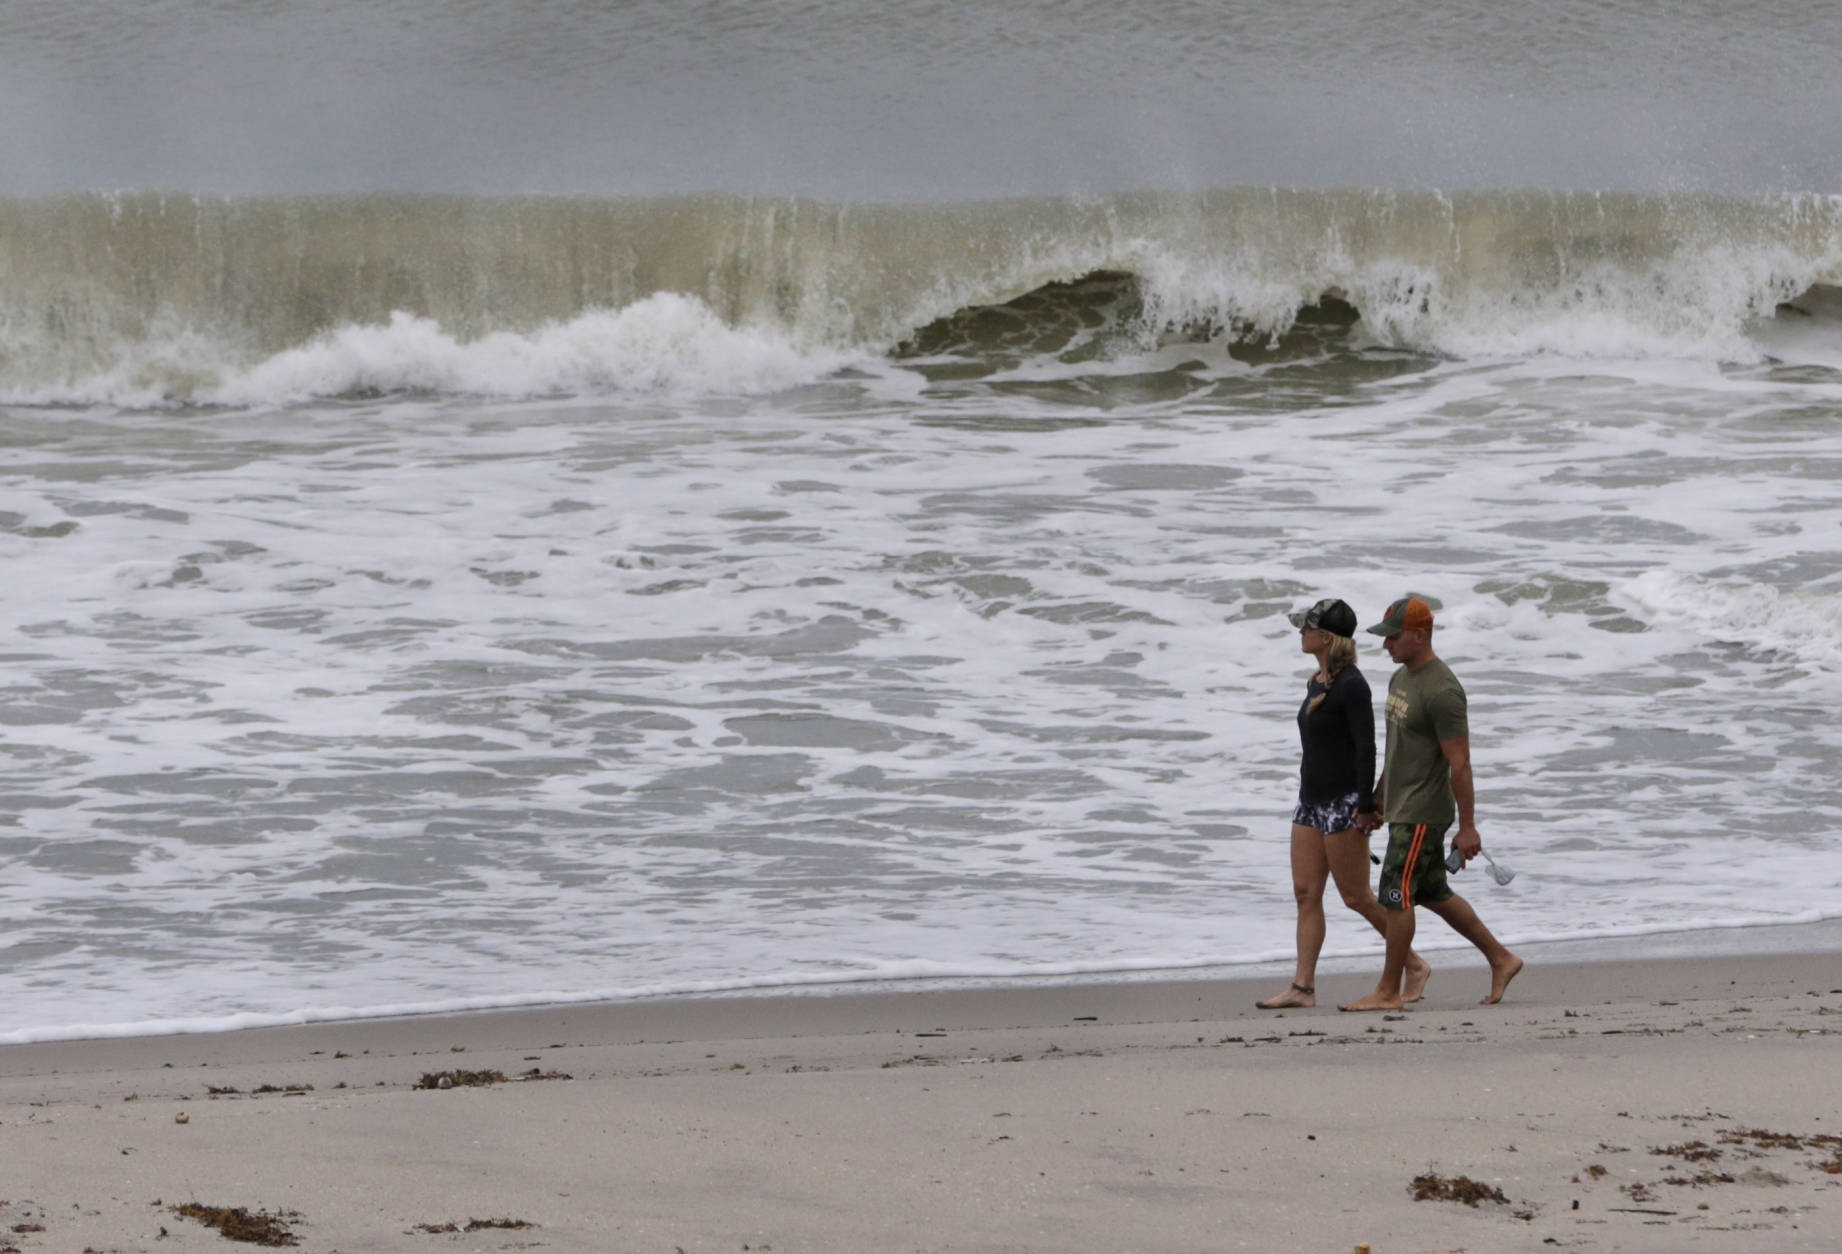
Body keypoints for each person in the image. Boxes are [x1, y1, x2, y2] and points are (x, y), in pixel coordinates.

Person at [1339, 595, 1523, 1012]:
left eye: (1394, 637)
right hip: (1403, 806)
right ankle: (1502, 958)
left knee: (1395, 896)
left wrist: (1468, 827)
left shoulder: (1443, 690)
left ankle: (1388, 991)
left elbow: (1460, 763)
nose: (1386, 646)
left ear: (1420, 636)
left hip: (1424, 812)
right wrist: (1378, 799)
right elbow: (1397, 750)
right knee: (1433, 892)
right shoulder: (1400, 679)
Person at [1256, 598, 1430, 1010]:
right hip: (1310, 803)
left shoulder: (1353, 684)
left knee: (1357, 897)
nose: (1301, 633)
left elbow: (1367, 748)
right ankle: (1303, 988)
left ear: (1327, 637)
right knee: (1305, 893)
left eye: (1307, 628)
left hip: (1344, 803)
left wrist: (1366, 804)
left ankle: (1414, 964)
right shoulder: (1317, 681)